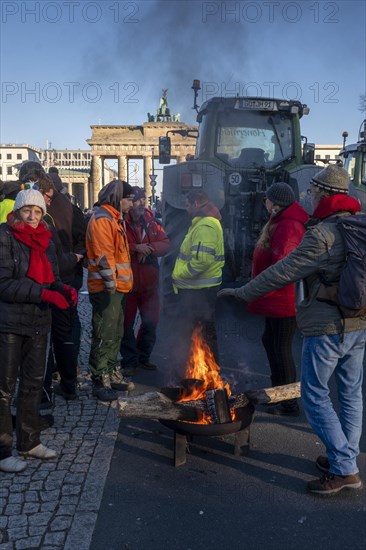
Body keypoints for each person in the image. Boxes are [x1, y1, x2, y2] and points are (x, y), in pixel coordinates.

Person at [218, 164, 366, 495]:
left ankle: (344, 468)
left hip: (327, 327)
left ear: (324, 194)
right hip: (358, 323)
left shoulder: (323, 234)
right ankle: (344, 454)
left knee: (314, 396)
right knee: (350, 392)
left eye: (312, 193)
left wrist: (243, 292)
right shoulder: (358, 224)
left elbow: (282, 272)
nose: (309, 198)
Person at [0, 188, 77, 473]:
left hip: (38, 323)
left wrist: (62, 289)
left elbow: (52, 278)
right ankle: (2, 449)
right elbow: (4, 282)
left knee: (33, 384)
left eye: (37, 212)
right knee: (4, 388)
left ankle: (29, 442)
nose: (32, 217)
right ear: (17, 212)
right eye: (26, 211)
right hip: (9, 323)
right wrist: (45, 295)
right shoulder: (4, 236)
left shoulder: (45, 237)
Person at [247, 182, 309, 416]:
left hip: (283, 300)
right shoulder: (281, 223)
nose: (265, 202)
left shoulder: (288, 227)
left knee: (281, 349)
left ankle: (288, 402)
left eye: (267, 199)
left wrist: (254, 289)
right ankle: (277, 395)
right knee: (271, 343)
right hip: (276, 299)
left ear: (274, 202)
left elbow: (283, 267)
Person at [86, 179, 135, 401]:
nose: (132, 205)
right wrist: (111, 285)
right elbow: (104, 256)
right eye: (129, 200)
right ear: (118, 198)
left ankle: (111, 372)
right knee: (104, 333)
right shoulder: (103, 220)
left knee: (115, 333)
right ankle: (99, 378)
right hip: (107, 289)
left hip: (117, 288)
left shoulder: (113, 219)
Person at [171, 189, 225, 372]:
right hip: (200, 289)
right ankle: (206, 372)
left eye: (187, 205)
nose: (186, 209)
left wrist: (180, 275)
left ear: (195, 204)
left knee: (203, 333)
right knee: (202, 332)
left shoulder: (205, 225)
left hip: (199, 290)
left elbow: (202, 260)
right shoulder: (204, 223)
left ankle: (208, 373)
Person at [120, 186, 170, 375]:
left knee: (151, 321)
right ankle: (129, 361)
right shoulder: (120, 222)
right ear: (129, 202)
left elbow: (166, 244)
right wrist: (135, 248)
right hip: (129, 284)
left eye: (144, 200)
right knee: (126, 325)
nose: (142, 203)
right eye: (138, 200)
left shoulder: (152, 222)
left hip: (150, 285)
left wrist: (148, 247)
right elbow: (117, 244)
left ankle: (143, 357)